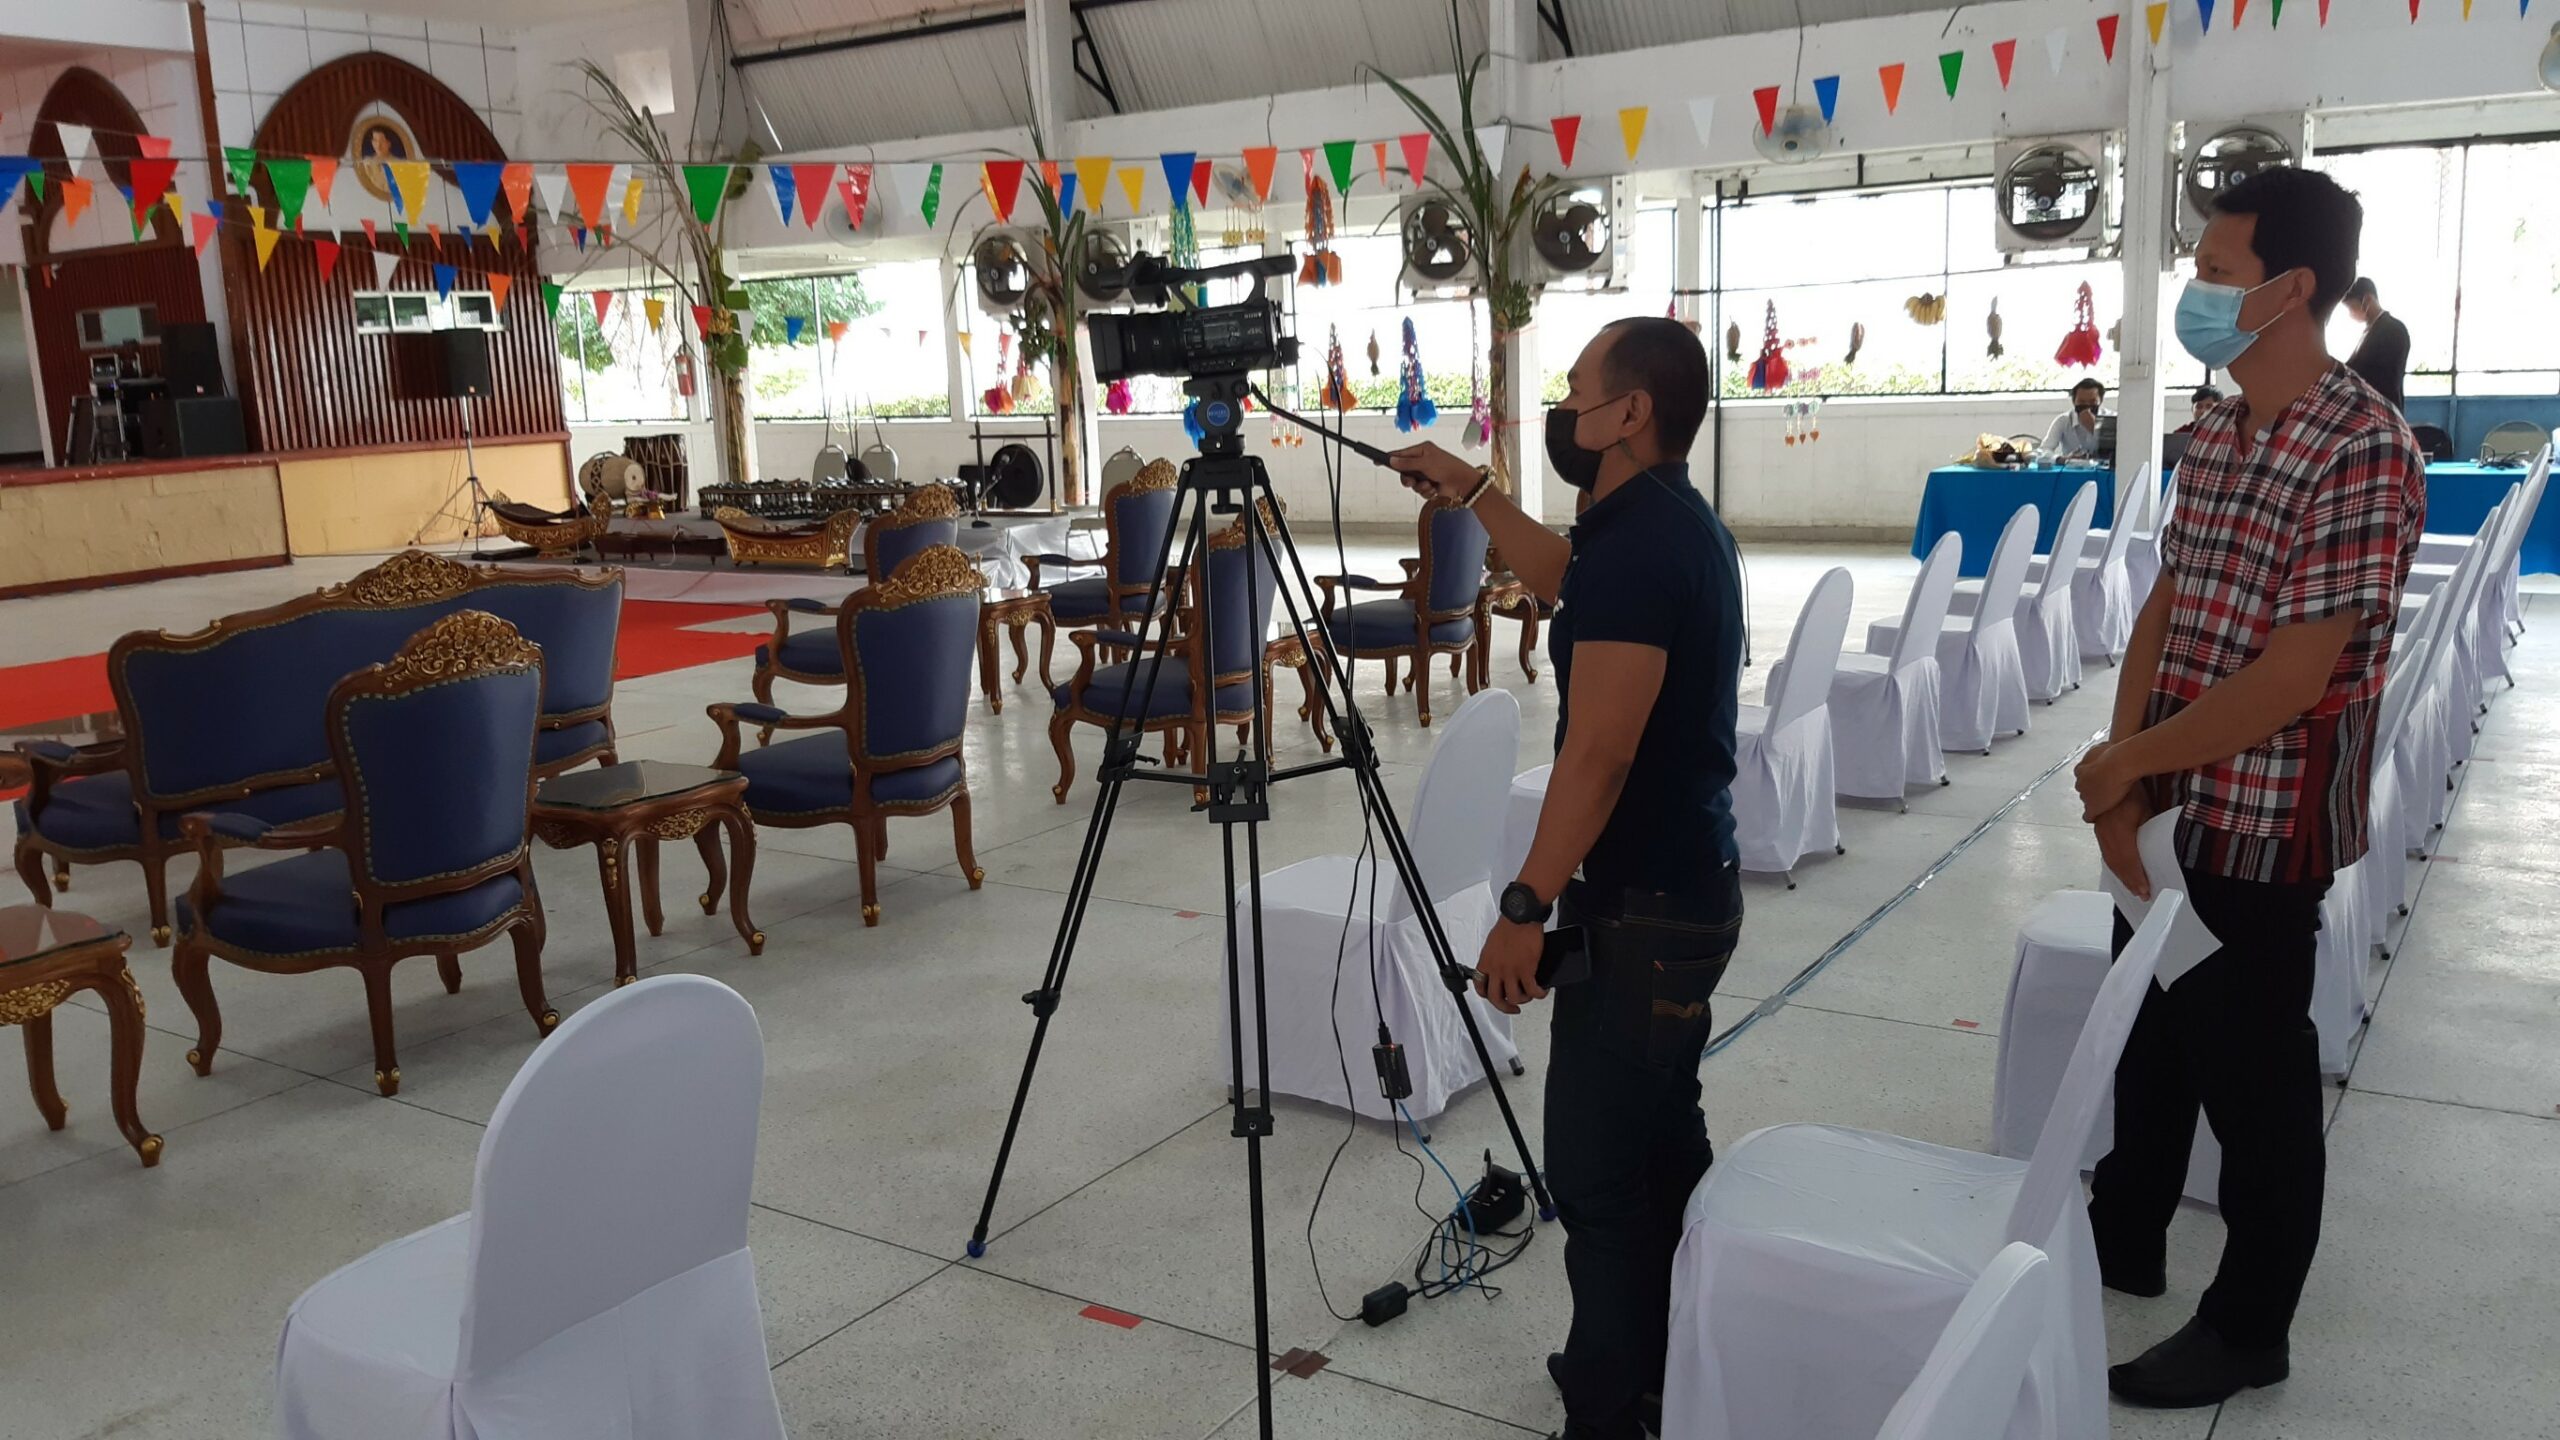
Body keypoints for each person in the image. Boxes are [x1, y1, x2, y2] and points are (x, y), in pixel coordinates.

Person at [2072, 166, 2424, 1409]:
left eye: (2217, 273)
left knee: (2255, 1076)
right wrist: (2122, 768)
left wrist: (2129, 766)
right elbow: (2168, 604)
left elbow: (2292, 676)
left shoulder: (2361, 447)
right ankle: (2125, 1231)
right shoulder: (2216, 431)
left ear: (2292, 288)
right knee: (2152, 1030)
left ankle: (2248, 1324)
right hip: (2165, 801)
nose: (2197, 293)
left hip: (2265, 816)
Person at [1387, 317, 1745, 1440]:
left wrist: (1523, 907)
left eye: (1579, 389)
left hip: (1646, 908)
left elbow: (1598, 754)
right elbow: (1562, 579)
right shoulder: (1656, 522)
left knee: (1595, 1173)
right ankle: (1665, 1359)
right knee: (1658, 1137)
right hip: (1681, 890)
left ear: (1629, 413)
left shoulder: (1642, 549)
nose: (1564, 409)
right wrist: (1471, 490)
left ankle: (1611, 1407)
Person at [2342, 277, 2410, 413]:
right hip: (2371, 410)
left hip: (2384, 411)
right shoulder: (2370, 330)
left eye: (2350, 307)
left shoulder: (2393, 330)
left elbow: (2379, 377)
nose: (2350, 314)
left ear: (2367, 300)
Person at [2043, 378, 2113, 456]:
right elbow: (2044, 450)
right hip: (2071, 463)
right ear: (2074, 402)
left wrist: (2094, 427)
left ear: (2100, 401)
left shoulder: (2112, 420)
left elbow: (2117, 450)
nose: (2087, 406)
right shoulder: (2063, 420)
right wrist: (2061, 459)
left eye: (2092, 401)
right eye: (2081, 402)